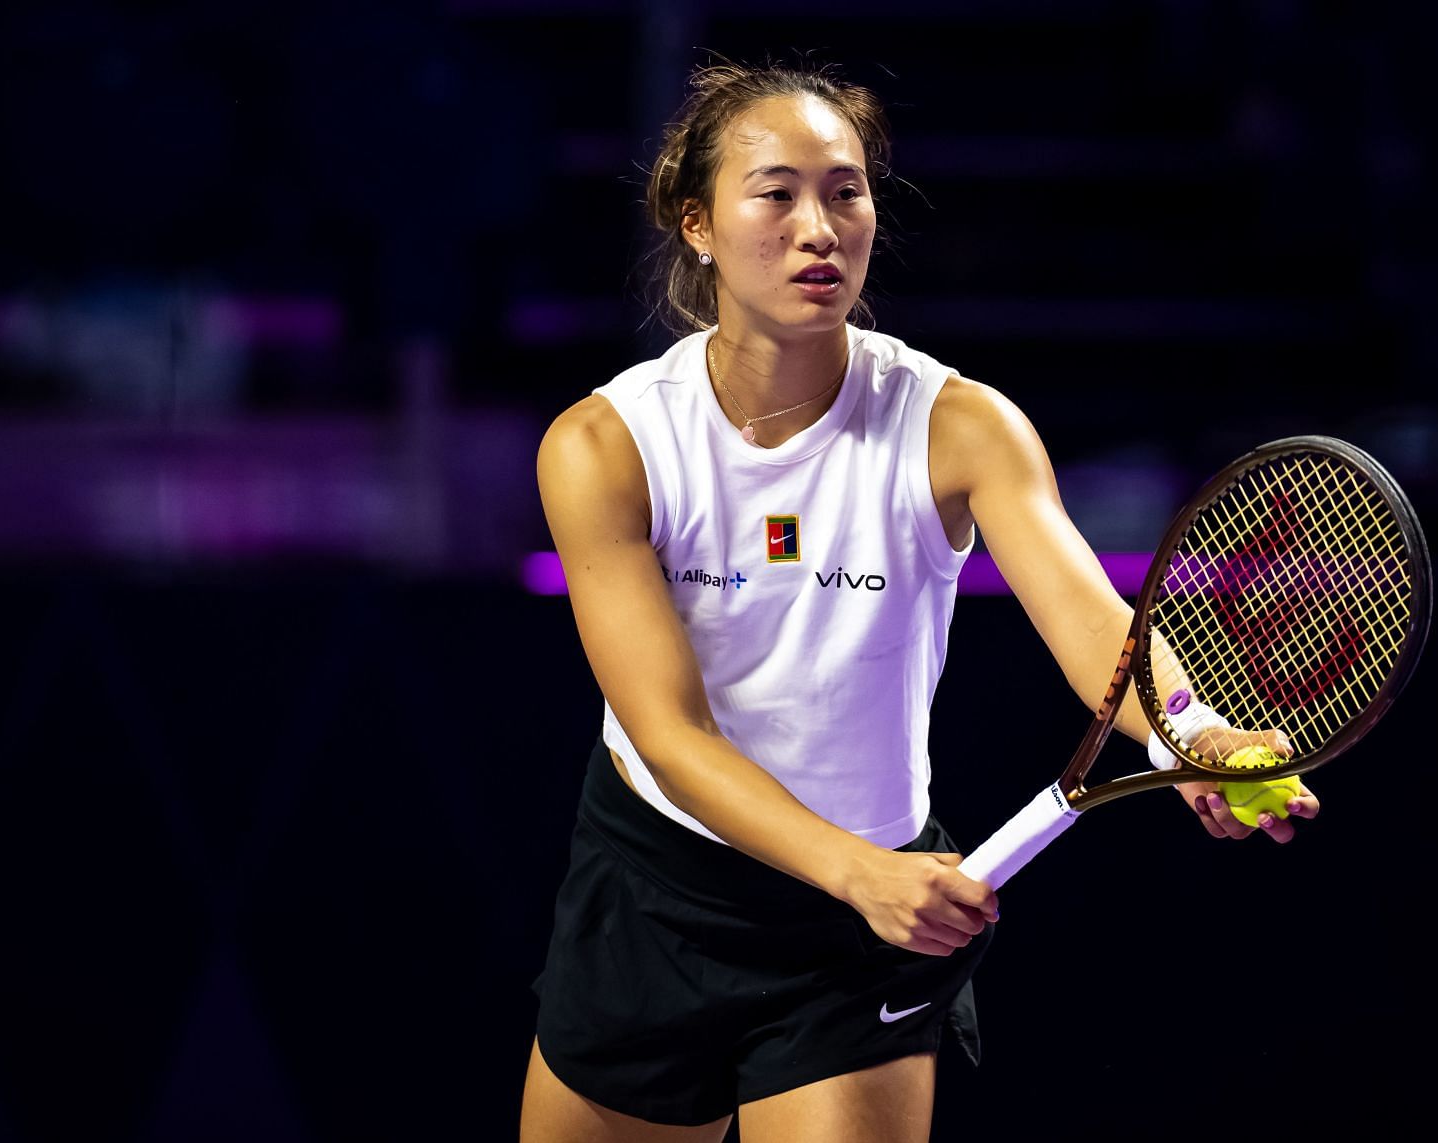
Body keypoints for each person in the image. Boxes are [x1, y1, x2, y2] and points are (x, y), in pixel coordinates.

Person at [520, 59, 1321, 1143]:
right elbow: (669, 734)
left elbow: (1096, 626)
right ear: (695, 221)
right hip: (660, 887)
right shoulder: (606, 445)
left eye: (846, 191)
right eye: (777, 192)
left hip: (860, 930)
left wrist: (1196, 734)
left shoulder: (959, 424)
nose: (821, 226)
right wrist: (860, 876)